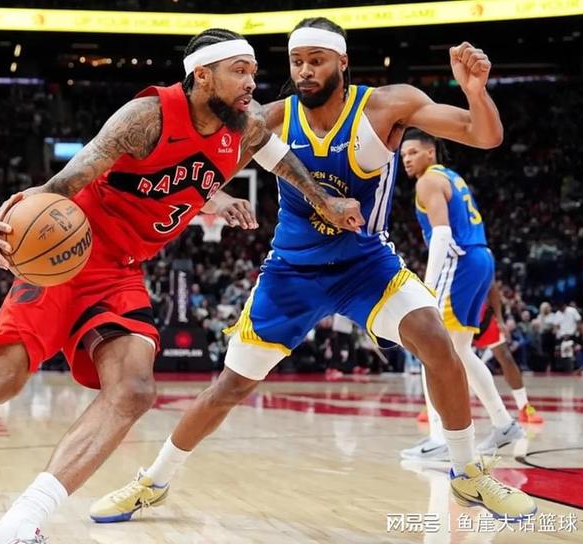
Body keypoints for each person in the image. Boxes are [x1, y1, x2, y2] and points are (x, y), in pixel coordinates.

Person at [93, 17, 536, 525]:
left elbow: (485, 135)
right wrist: (216, 199)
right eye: (297, 61)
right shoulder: (270, 118)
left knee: (436, 340)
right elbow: (197, 170)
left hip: (365, 265)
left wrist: (475, 93)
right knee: (230, 386)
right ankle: (153, 482)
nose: (304, 71)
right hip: (291, 272)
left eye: (316, 61)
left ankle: (467, 473)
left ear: (342, 62)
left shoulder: (387, 105)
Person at [0, 28, 362, 544]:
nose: (252, 82)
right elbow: (62, 184)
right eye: (239, 71)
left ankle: (20, 525)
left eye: (252, 71)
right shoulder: (147, 118)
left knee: (134, 391)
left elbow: (283, 163)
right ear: (202, 75)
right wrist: (5, 219)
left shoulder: (244, 128)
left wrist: (322, 201)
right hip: (69, 254)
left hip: (121, 271)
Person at [399, 128, 525, 462]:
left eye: (412, 152)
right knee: (461, 351)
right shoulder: (451, 177)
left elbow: (442, 234)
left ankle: (439, 438)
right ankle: (504, 424)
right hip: (480, 258)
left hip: (459, 263)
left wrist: (427, 285)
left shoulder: (428, 181)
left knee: (430, 347)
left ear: (430, 151)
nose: (406, 159)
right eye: (403, 155)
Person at [474, 282, 543, 423]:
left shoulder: (482, 267)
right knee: (441, 360)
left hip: (480, 313)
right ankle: (433, 407)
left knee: (505, 357)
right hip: (451, 311)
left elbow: (492, 287)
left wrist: (499, 320)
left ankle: (523, 405)